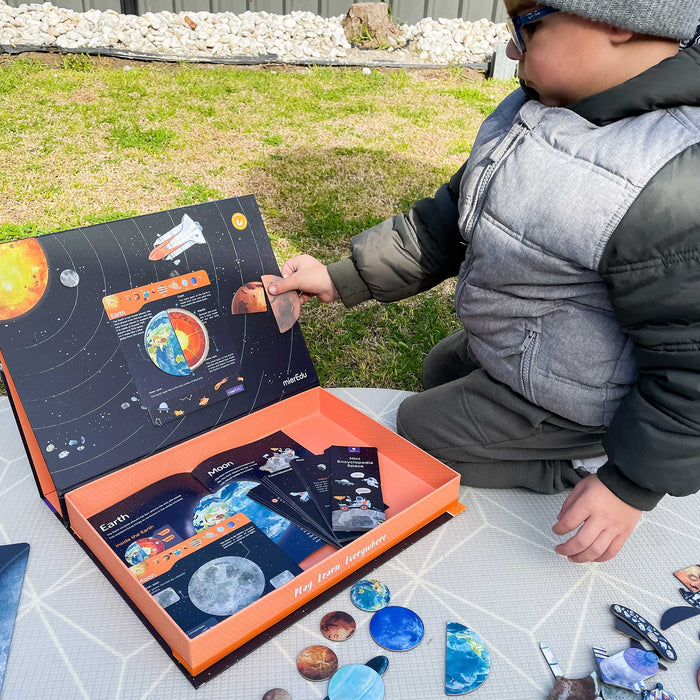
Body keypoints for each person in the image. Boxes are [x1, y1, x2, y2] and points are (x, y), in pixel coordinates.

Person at [269, 0, 700, 563]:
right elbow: (446, 223)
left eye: (528, 27)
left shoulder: (670, 185)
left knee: (420, 431)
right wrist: (341, 277)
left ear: (621, 20)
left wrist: (630, 484)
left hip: (586, 399)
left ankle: (580, 460)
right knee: (438, 368)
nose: (512, 48)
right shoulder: (538, 106)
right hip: (535, 352)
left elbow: (690, 361)